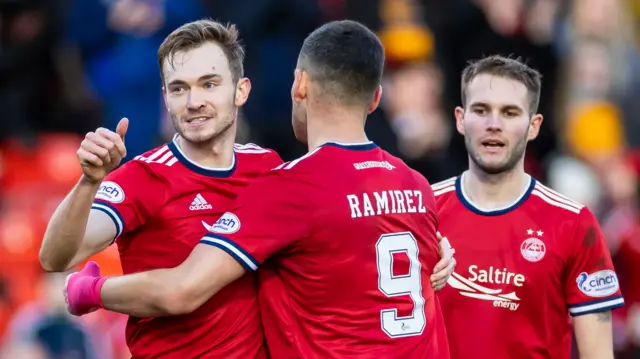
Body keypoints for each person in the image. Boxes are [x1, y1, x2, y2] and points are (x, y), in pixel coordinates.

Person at [64, 20, 453, 359]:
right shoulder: (415, 184)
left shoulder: (288, 184)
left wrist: (91, 290)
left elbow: (181, 290)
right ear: (376, 99)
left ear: (300, 84)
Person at [39, 20, 284, 358]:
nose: (193, 101)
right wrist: (89, 181)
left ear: (240, 90)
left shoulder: (268, 168)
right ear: (165, 97)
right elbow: (55, 257)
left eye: (209, 84)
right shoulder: (142, 177)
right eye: (179, 88)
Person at [433, 55, 624, 359]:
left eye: (510, 113)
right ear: (460, 118)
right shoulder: (422, 212)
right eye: (481, 110)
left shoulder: (574, 223)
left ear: (533, 125)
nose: (493, 124)